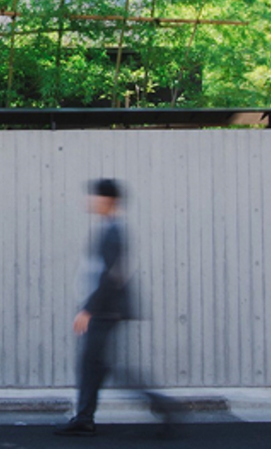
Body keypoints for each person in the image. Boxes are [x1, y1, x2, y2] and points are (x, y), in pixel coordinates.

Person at [55, 178, 175, 438]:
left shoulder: (113, 232)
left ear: (108, 201)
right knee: (96, 365)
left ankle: (160, 404)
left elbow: (112, 275)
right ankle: (84, 418)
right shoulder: (108, 228)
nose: (90, 201)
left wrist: (89, 309)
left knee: (98, 365)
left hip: (104, 310)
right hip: (103, 308)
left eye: (95, 196)